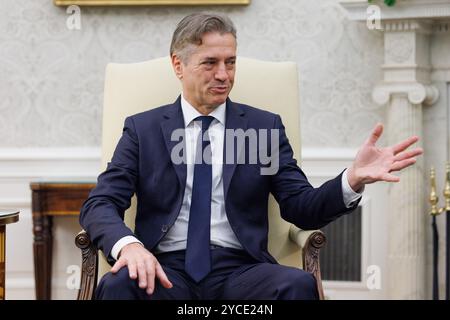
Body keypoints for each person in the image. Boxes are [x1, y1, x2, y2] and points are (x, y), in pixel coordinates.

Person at [80, 13, 422, 300]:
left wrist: (352, 180)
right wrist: (129, 247)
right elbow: (101, 204)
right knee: (117, 286)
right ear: (178, 65)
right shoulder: (144, 129)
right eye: (210, 63)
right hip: (164, 270)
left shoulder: (263, 128)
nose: (224, 75)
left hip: (240, 271)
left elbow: (299, 206)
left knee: (297, 285)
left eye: (230, 62)